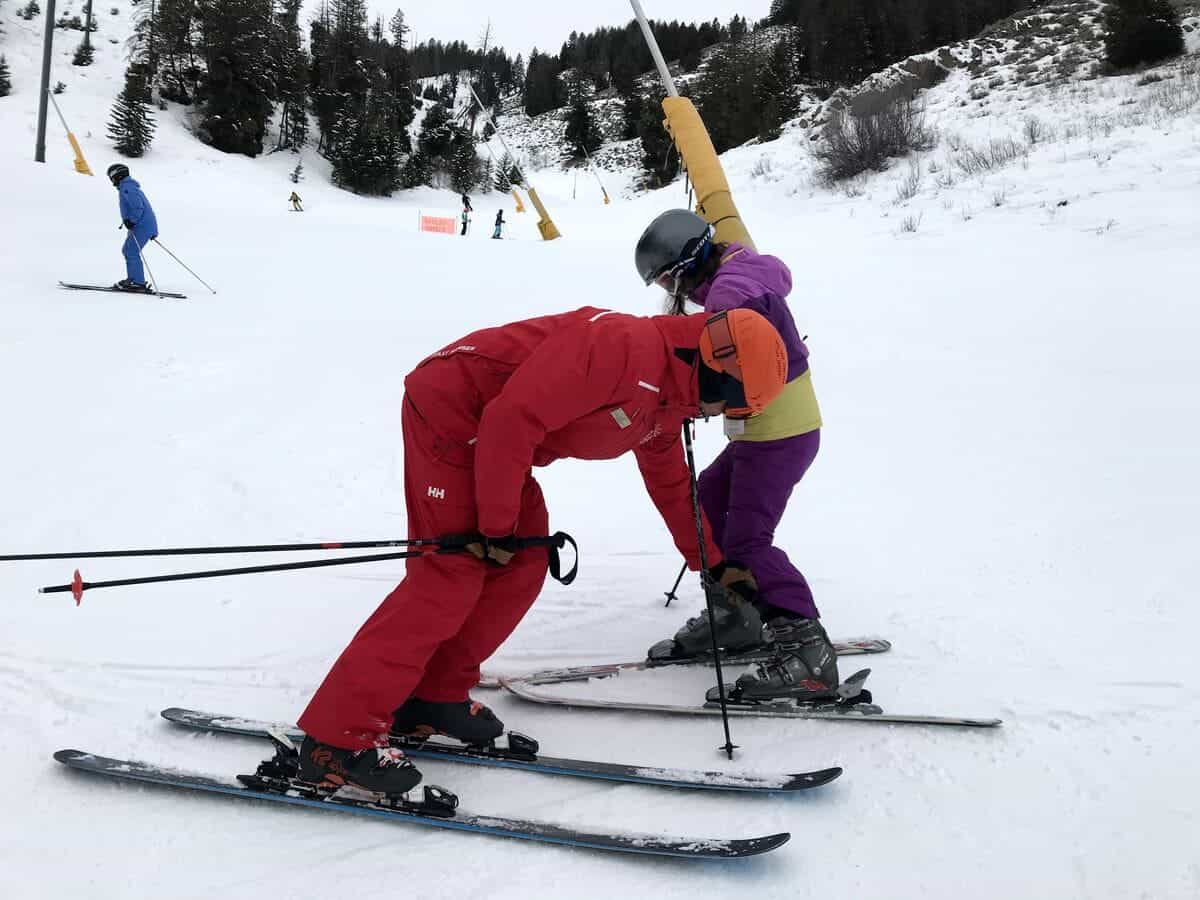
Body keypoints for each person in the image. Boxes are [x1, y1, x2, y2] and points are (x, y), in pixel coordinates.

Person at [294, 305, 790, 795]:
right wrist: (495, 526)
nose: (718, 416)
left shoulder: (670, 398)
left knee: (525, 563)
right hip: (452, 411)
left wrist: (715, 566)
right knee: (449, 577)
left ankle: (434, 694)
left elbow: (671, 484)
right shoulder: (622, 348)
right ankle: (335, 739)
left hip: (499, 442)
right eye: (729, 405)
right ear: (717, 371)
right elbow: (512, 417)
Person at [635, 209, 837, 703]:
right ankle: (737, 615)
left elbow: (741, 370)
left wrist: (686, 395)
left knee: (748, 542)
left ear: (687, 262)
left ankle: (809, 656)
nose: (668, 286)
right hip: (768, 429)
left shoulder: (728, 297)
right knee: (704, 502)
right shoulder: (743, 267)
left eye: (665, 276)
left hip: (777, 434)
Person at [107, 163, 158, 293]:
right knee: (128, 250)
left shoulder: (127, 187)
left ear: (117, 175)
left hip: (141, 225)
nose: (111, 180)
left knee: (130, 251)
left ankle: (137, 282)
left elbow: (138, 207)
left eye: (111, 177)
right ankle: (134, 279)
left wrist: (131, 220)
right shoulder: (128, 186)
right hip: (143, 225)